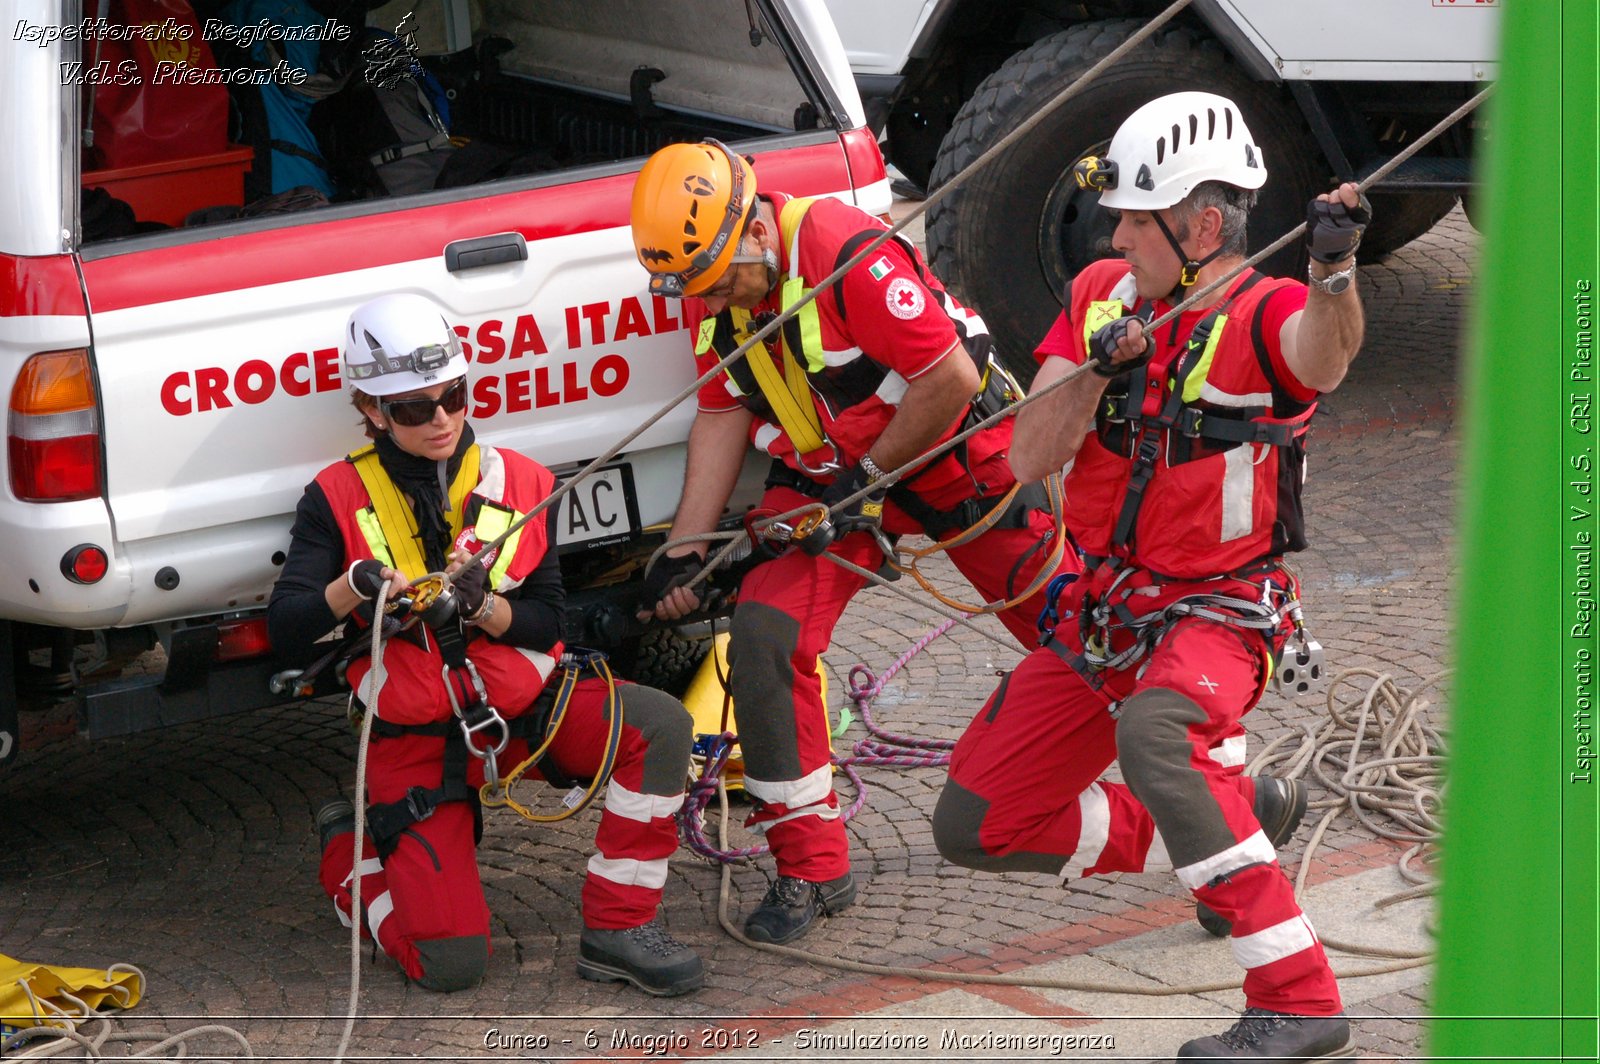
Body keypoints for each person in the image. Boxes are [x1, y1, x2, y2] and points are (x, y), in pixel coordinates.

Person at [930, 91, 1368, 1061]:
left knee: (1157, 732)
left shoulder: (1269, 312)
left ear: (1201, 225)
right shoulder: (1096, 294)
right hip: (1105, 616)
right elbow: (1023, 455)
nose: (1114, 231)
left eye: (1136, 216)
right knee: (975, 822)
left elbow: (1324, 359)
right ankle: (1230, 818)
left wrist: (1334, 268)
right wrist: (1094, 371)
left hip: (1218, 616)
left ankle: (1297, 998)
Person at [627, 140, 1079, 945]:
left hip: (950, 456)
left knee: (1078, 637)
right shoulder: (717, 277)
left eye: (723, 279)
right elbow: (725, 408)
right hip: (831, 473)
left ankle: (1207, 801)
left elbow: (949, 380)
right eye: (700, 289)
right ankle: (810, 867)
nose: (715, 299)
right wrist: (687, 546)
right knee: (766, 635)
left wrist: (863, 478)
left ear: (758, 230)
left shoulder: (844, 251)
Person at [267, 293, 703, 996]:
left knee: (659, 725)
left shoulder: (523, 484)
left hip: (520, 715)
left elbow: (549, 624)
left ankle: (620, 928)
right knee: (451, 966)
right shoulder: (334, 496)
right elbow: (286, 633)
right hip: (414, 737)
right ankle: (350, 855)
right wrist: (354, 584)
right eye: (413, 408)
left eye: (453, 396)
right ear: (373, 411)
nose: (440, 418)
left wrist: (488, 607)